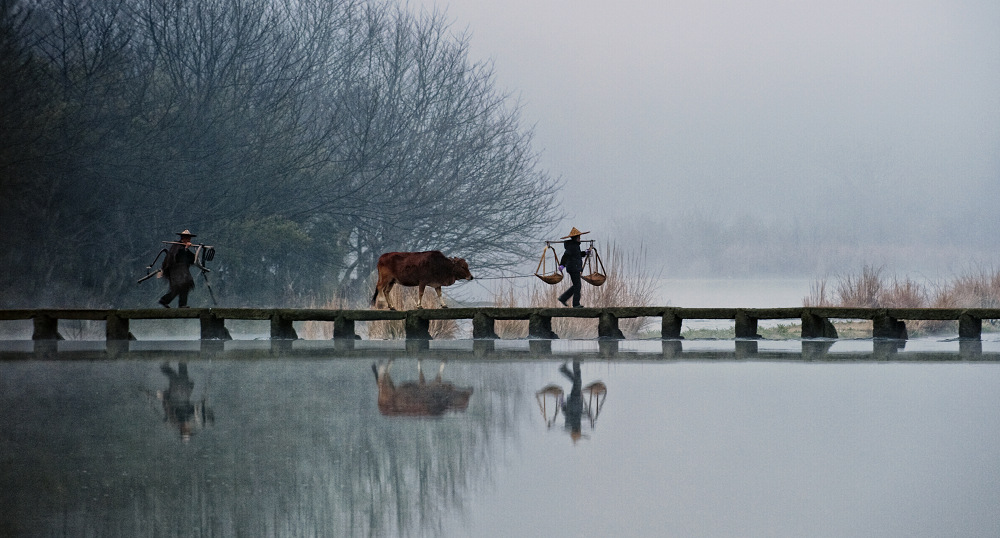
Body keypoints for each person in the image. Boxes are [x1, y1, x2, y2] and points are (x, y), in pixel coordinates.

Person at [159, 229, 197, 308]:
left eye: (189, 238)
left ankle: (181, 304)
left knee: (184, 286)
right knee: (179, 286)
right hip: (176, 271)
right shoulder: (177, 246)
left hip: (182, 272)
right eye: (186, 238)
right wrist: (186, 248)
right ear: (183, 238)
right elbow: (178, 256)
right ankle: (165, 300)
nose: (188, 240)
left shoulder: (182, 247)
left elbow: (191, 258)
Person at [557, 227, 590, 308]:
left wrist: (585, 253)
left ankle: (563, 298)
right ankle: (575, 304)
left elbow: (577, 255)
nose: (580, 239)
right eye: (579, 237)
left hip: (574, 267)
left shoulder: (575, 246)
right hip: (573, 268)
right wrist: (562, 265)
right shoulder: (572, 246)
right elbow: (566, 255)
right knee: (577, 285)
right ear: (576, 238)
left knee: (576, 285)